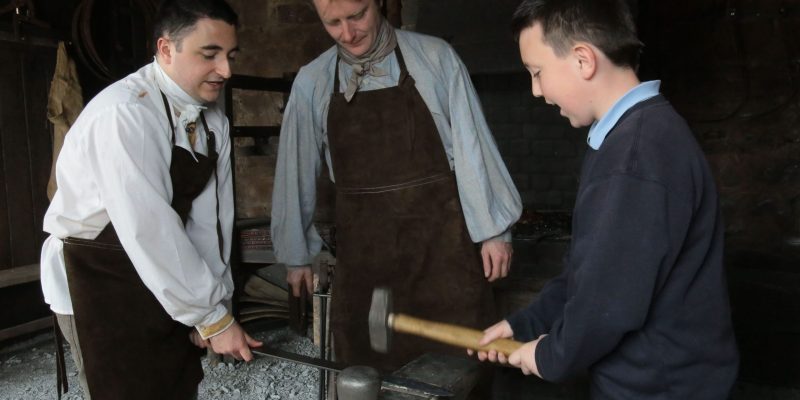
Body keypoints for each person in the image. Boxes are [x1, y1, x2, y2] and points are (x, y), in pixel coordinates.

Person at [472, 0, 740, 398]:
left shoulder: (636, 156)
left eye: (537, 72)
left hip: (661, 388)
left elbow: (608, 303)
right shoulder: (634, 135)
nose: (536, 90)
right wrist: (525, 324)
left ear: (583, 60)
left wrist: (549, 356)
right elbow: (590, 270)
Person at [271, 0, 522, 372]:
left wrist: (495, 231)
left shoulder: (435, 59)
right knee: (369, 374)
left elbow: (473, 147)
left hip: (443, 256)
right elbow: (295, 171)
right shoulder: (313, 82)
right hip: (368, 265)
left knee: (460, 371)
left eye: (357, 16)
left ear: (379, 4)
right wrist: (296, 256)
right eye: (333, 23)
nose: (348, 33)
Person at [40, 1, 261, 398]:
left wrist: (216, 308)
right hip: (96, 277)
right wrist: (210, 317)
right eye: (209, 55)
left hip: (163, 270)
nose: (226, 70)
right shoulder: (126, 115)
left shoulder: (214, 124)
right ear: (165, 49)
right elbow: (149, 227)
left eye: (230, 56)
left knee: (175, 384)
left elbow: (211, 224)